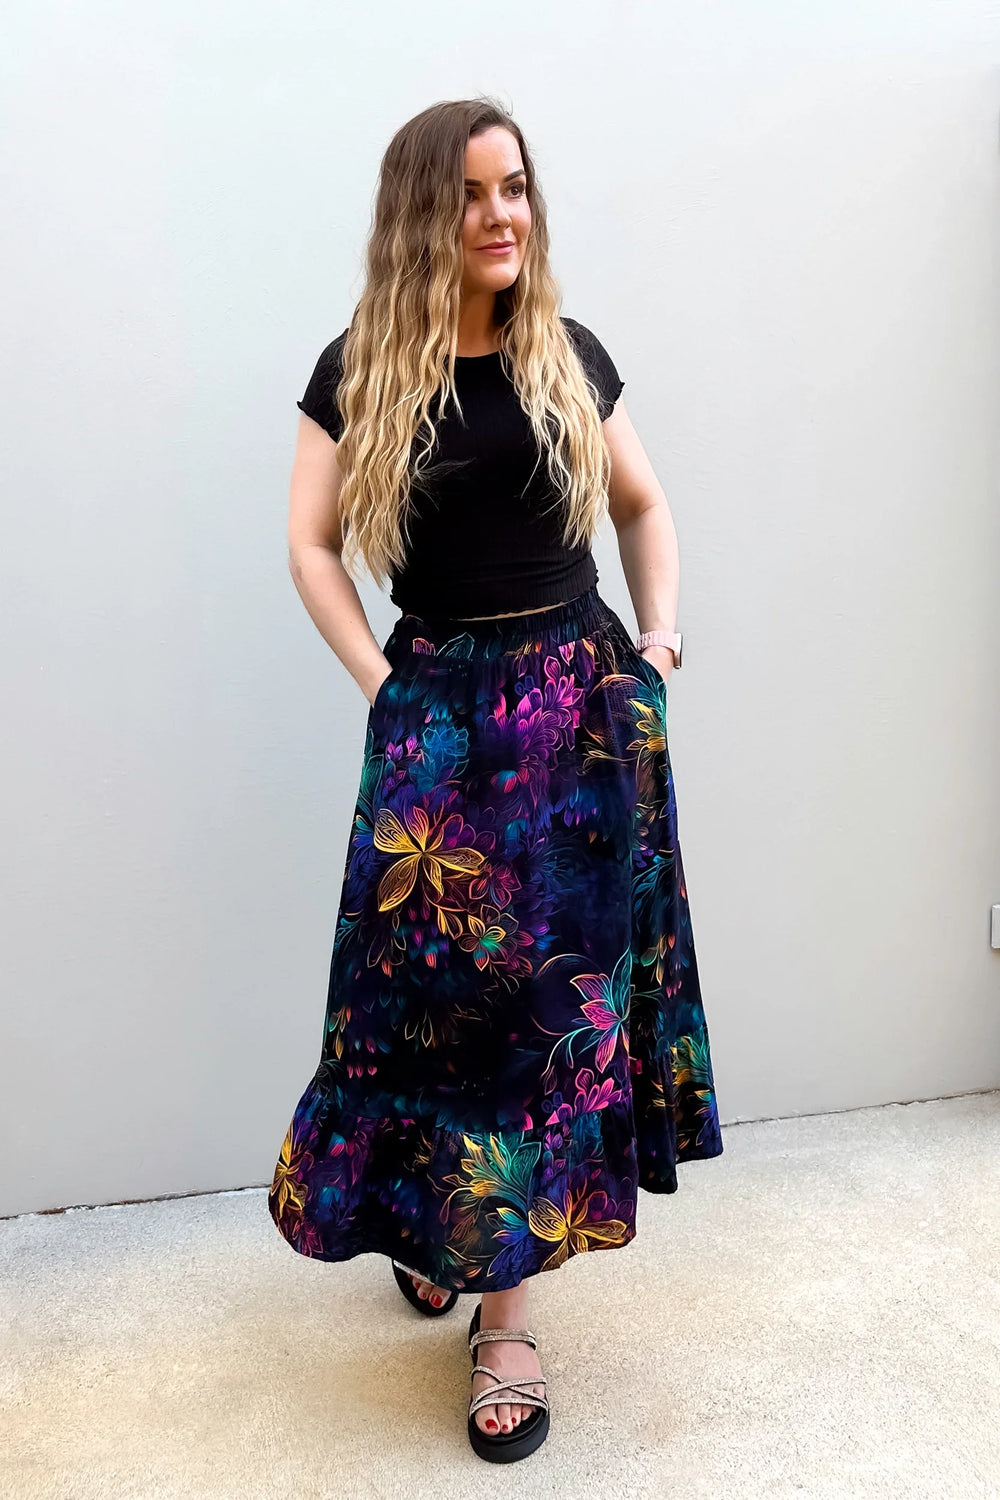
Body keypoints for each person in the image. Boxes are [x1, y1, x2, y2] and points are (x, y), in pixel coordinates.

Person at [268, 95, 723, 1464]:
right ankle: (441, 1223)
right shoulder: (361, 368)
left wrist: (656, 647)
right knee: (425, 1005)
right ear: (425, 213)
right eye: (471, 193)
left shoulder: (565, 354)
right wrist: (384, 684)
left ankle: (506, 1317)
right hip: (446, 723)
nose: (501, 213)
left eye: (514, 186)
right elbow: (309, 543)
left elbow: (641, 504)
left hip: (579, 725)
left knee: (538, 1021)